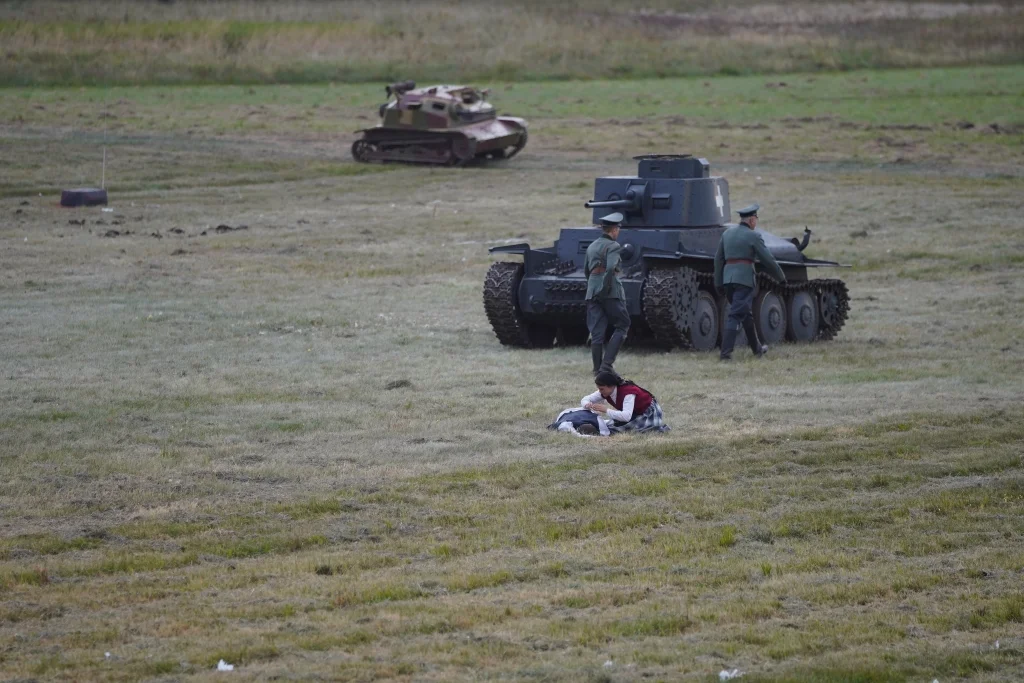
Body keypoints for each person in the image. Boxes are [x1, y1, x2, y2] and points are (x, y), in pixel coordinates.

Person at [713, 203, 787, 360]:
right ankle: (725, 354)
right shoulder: (754, 236)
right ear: (752, 220)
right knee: (735, 315)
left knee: (746, 315)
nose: (756, 223)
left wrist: (719, 282)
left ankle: (757, 350)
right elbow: (768, 260)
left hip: (728, 281)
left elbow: (718, 260)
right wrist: (781, 278)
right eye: (756, 220)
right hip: (744, 281)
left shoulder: (727, 234)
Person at [585, 212, 630, 375]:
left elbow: (586, 271)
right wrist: (605, 288)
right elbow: (611, 268)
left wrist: (594, 287)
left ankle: (597, 369)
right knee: (623, 324)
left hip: (592, 291)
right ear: (614, 230)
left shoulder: (591, 246)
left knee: (597, 331)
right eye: (618, 229)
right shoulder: (613, 246)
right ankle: (607, 365)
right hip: (609, 292)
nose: (618, 232)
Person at [581, 371, 669, 434]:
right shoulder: (606, 391)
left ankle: (598, 429)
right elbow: (585, 399)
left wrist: (606, 410)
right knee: (618, 423)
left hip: (648, 413)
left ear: (611, 386)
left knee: (628, 429)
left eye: (601, 389)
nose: (600, 391)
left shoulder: (628, 393)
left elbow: (626, 416)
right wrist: (587, 404)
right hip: (634, 413)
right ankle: (597, 427)